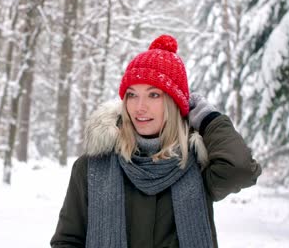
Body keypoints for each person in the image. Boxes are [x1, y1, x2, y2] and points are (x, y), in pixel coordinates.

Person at [50, 34, 262, 248]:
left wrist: (209, 119)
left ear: (174, 102)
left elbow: (240, 170)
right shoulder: (92, 166)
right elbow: (67, 241)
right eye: (132, 95)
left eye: (154, 95)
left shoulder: (199, 166)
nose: (140, 107)